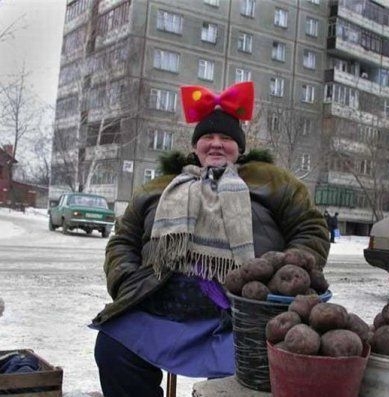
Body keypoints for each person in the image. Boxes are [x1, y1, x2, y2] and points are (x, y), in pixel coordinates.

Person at [90, 81, 330, 397]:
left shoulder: (272, 181)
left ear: (240, 148)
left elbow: (311, 229)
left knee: (256, 376)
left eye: (226, 138)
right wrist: (126, 280)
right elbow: (123, 239)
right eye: (207, 137)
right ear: (195, 146)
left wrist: (283, 278)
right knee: (113, 348)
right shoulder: (160, 187)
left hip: (243, 317)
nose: (216, 144)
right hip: (162, 310)